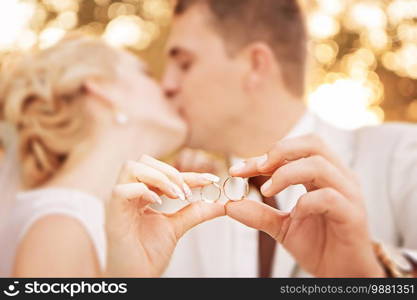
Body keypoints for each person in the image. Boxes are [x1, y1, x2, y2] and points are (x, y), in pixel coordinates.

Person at [161, 0, 417, 277]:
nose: (167, 84)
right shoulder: (175, 209)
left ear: (255, 65)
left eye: (185, 64)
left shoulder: (402, 156)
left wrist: (367, 278)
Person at [0, 36, 224, 277]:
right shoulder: (60, 228)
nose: (167, 87)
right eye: (146, 74)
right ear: (102, 88)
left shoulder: (97, 216)